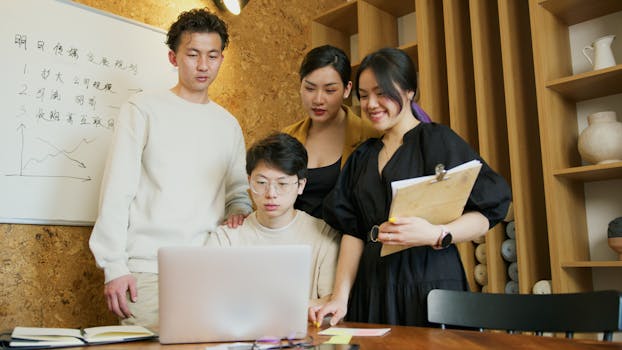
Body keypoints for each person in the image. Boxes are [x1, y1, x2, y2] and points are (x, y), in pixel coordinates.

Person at [310, 48, 511, 327]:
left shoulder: (438, 140)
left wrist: (437, 234)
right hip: (373, 286)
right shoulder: (362, 156)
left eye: (382, 93)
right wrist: (340, 297)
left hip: (430, 282)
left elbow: (488, 211)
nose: (371, 104)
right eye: (365, 95)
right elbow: (353, 233)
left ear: (409, 91)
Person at [89, 8, 252, 329]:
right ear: (173, 57)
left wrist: (239, 207)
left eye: (213, 56)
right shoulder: (142, 109)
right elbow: (117, 190)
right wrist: (114, 266)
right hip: (148, 269)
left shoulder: (228, 125)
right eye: (193, 54)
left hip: (209, 269)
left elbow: (237, 191)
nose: (203, 65)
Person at [206, 133, 340, 306]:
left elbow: (330, 303)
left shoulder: (324, 236)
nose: (271, 194)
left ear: (301, 185)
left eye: (282, 184)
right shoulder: (226, 238)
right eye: (261, 183)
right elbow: (209, 299)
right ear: (249, 181)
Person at [282, 45, 379, 219]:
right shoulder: (288, 137)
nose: (318, 100)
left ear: (347, 89)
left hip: (348, 242)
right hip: (296, 241)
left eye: (330, 90)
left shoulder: (370, 136)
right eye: (310, 88)